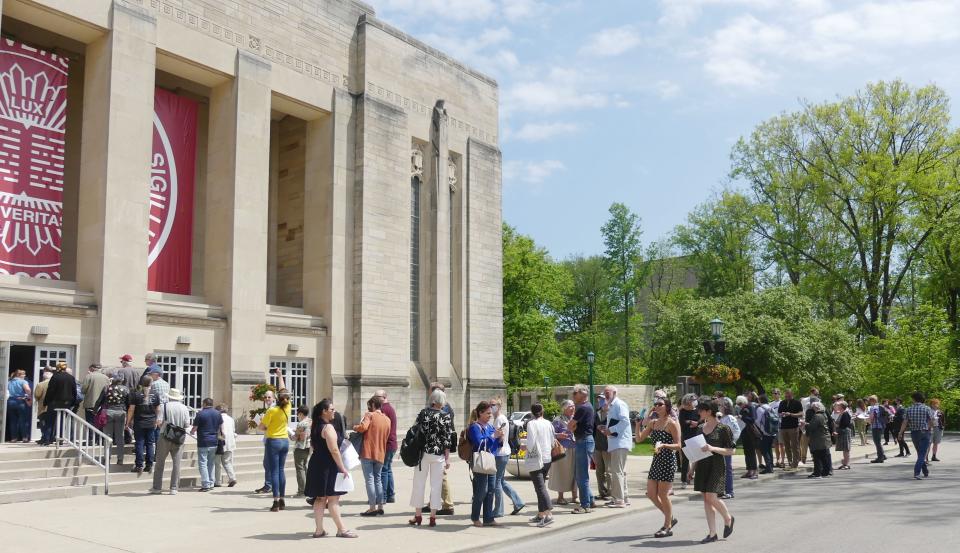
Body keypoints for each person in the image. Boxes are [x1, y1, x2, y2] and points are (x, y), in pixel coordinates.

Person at [305, 399, 357, 538]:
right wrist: (342, 468)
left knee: (320, 498)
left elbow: (314, 447)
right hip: (329, 465)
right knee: (333, 499)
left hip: (317, 464)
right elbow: (334, 450)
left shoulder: (315, 426)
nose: (334, 411)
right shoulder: (328, 428)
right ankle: (341, 529)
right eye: (332, 409)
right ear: (324, 411)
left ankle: (319, 530)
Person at [689, 398, 735, 544]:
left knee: (711, 497)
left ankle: (728, 518)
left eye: (701, 410)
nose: (698, 412)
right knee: (706, 499)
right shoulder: (699, 428)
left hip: (716, 465)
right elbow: (696, 450)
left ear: (709, 411)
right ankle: (712, 533)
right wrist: (692, 468)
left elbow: (731, 451)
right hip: (702, 465)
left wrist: (712, 448)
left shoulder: (723, 429)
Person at [635, 395, 680, 538]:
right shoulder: (653, 423)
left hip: (668, 461)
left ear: (667, 407)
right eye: (656, 404)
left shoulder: (672, 423)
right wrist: (637, 425)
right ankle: (670, 517)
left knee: (663, 495)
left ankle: (667, 526)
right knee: (651, 494)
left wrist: (664, 445)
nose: (657, 406)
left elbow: (679, 445)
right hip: (656, 461)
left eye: (660, 404)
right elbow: (639, 439)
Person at [409, 388, 454, 527]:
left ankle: (418, 516)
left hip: (423, 453)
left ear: (432, 400)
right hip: (438, 454)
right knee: (436, 486)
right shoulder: (446, 416)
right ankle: (433, 517)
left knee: (419, 484)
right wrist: (447, 458)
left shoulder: (423, 413)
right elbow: (447, 439)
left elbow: (414, 430)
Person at [467, 400, 504, 527]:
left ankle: (488, 518)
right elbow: (479, 443)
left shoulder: (489, 427)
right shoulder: (474, 427)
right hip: (480, 462)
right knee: (481, 491)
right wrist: (494, 436)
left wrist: (500, 438)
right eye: (487, 413)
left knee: (491, 490)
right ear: (480, 413)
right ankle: (475, 517)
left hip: (490, 461)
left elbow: (495, 445)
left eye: (490, 413)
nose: (490, 415)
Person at [354, 395, 390, 516]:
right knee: (378, 479)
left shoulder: (370, 415)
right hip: (381, 453)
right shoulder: (387, 419)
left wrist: (355, 427)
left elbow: (363, 427)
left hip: (368, 451)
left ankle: (372, 507)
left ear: (373, 405)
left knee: (369, 480)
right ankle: (380, 505)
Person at [150, 388, 191, 494]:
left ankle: (157, 487)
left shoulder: (164, 406)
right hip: (179, 437)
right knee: (177, 464)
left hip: (165, 436)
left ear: (169, 396)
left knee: (160, 463)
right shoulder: (184, 408)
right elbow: (187, 424)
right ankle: (173, 487)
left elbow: (159, 421)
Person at [491, 397, 525, 517]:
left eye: (493, 404)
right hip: (504, 452)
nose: (491, 406)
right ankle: (518, 502)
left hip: (500, 453)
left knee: (497, 482)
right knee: (501, 481)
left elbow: (498, 437)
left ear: (499, 406)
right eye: (490, 404)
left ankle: (499, 510)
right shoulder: (502, 418)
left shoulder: (499, 420)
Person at [524, 403, 556, 528]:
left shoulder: (532, 424)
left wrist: (525, 447)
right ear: (542, 411)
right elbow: (553, 439)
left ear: (532, 412)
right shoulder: (548, 423)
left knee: (540, 487)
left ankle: (548, 514)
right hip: (547, 457)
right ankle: (541, 513)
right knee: (540, 487)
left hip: (537, 458)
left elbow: (531, 442)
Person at [259, 390, 291, 511]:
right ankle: (282, 499)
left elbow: (261, 427)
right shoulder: (287, 407)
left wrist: (265, 422)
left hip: (274, 441)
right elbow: (284, 391)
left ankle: (276, 501)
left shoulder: (271, 410)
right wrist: (280, 375)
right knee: (281, 470)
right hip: (284, 440)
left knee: (274, 472)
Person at [601, 385, 632, 508]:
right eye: (605, 392)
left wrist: (611, 430)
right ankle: (623, 497)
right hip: (616, 442)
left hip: (620, 443)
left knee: (617, 471)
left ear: (615, 392)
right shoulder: (612, 406)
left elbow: (625, 421)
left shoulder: (619, 404)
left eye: (608, 392)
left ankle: (619, 500)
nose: (606, 394)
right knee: (620, 471)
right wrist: (606, 429)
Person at [567, 384, 595, 514]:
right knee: (581, 474)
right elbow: (572, 426)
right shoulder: (587, 406)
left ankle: (585, 505)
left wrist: (572, 426)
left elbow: (570, 425)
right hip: (585, 440)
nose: (573, 396)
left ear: (581, 394)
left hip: (583, 441)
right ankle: (590, 499)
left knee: (581, 475)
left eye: (575, 393)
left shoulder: (582, 408)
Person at [899, 391, 936, 480]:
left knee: (920, 453)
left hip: (914, 433)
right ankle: (917, 472)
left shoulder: (908, 409)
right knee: (922, 454)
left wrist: (900, 433)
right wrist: (930, 428)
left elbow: (905, 422)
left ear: (914, 399)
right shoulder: (927, 408)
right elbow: (932, 421)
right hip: (924, 432)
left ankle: (925, 471)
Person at [127, 375, 160, 474]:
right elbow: (158, 409)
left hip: (139, 422)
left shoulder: (136, 394)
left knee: (139, 443)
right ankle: (149, 465)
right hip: (151, 422)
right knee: (150, 444)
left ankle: (139, 465)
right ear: (151, 383)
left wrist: (128, 422)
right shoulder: (155, 394)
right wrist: (157, 420)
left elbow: (131, 409)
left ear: (141, 383)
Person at [191, 397, 223, 492]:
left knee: (203, 463)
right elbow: (220, 427)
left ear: (204, 404)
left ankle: (205, 484)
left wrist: (192, 432)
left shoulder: (200, 413)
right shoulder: (218, 413)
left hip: (203, 441)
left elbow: (195, 428)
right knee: (211, 463)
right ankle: (211, 482)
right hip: (214, 441)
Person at [549, 400, 577, 505]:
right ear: (564, 408)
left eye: (573, 406)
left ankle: (575, 496)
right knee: (562, 473)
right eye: (570, 406)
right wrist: (558, 435)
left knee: (575, 473)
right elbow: (551, 434)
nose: (573, 408)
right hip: (563, 449)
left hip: (575, 448)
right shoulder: (558, 420)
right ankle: (560, 497)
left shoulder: (575, 418)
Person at [374, 389, 398, 503]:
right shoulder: (389, 408)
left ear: (384, 397)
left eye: (377, 396)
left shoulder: (384, 409)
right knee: (388, 470)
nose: (375, 398)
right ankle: (390, 495)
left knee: (383, 470)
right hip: (392, 443)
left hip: (387, 444)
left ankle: (382, 496)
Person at [102, 374, 131, 464]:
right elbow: (128, 402)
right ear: (121, 381)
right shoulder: (126, 389)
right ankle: (120, 459)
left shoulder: (107, 388)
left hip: (109, 411)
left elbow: (101, 400)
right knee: (120, 436)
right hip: (121, 412)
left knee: (108, 436)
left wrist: (95, 410)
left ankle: (107, 457)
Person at [718, 397, 741, 499]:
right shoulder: (719, 417)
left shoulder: (730, 418)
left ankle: (729, 491)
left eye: (720, 405)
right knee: (720, 469)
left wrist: (731, 442)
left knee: (727, 468)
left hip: (726, 447)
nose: (718, 407)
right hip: (718, 447)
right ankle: (720, 490)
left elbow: (736, 432)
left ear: (726, 406)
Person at [677, 394, 700, 489]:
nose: (694, 401)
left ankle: (698, 479)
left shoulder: (698, 410)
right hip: (686, 437)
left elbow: (702, 421)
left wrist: (697, 423)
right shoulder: (683, 411)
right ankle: (684, 480)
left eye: (695, 400)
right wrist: (691, 422)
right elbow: (682, 422)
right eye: (692, 400)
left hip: (696, 436)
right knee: (686, 460)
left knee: (698, 459)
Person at [777, 389, 803, 469]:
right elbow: (779, 413)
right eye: (786, 394)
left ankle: (795, 463)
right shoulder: (782, 403)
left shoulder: (797, 403)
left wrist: (791, 414)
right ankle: (790, 462)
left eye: (788, 394)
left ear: (792, 394)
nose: (787, 396)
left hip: (793, 427)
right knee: (786, 445)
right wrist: (782, 414)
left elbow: (801, 414)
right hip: (784, 427)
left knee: (794, 446)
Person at [806, 402, 832, 478]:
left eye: (813, 407)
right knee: (823, 456)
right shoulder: (823, 414)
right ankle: (825, 472)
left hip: (819, 439)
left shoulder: (817, 416)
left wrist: (805, 425)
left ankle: (817, 473)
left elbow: (812, 427)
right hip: (823, 438)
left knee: (817, 456)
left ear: (817, 408)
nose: (812, 409)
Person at [592, 393, 611, 500]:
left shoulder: (611, 412)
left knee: (609, 471)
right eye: (599, 399)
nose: (600, 401)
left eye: (602, 399)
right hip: (597, 445)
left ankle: (610, 492)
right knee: (599, 470)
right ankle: (602, 492)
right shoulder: (596, 413)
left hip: (608, 445)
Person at [5, 369, 31, 442]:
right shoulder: (23, 381)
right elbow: (28, 390)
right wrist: (28, 396)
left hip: (10, 401)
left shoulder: (9, 382)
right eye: (23, 374)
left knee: (13, 421)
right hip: (20, 401)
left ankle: (14, 438)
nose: (25, 376)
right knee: (23, 420)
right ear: (19, 375)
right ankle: (24, 437)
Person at [735, 396, 758, 479]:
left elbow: (753, 419)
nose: (739, 405)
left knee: (751, 452)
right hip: (744, 432)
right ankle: (749, 470)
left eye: (740, 403)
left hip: (750, 432)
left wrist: (742, 417)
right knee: (746, 452)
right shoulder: (742, 409)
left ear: (744, 402)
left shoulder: (751, 407)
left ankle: (754, 471)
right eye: (738, 404)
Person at [216, 404, 238, 487]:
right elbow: (233, 430)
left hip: (220, 443)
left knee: (217, 463)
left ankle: (217, 481)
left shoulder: (218, 418)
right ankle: (232, 478)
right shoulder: (231, 419)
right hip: (230, 443)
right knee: (227, 462)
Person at [292, 405, 311, 497]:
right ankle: (308, 489)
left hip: (300, 447)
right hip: (308, 447)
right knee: (304, 467)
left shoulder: (301, 423)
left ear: (300, 414)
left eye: (298, 414)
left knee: (300, 469)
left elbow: (294, 437)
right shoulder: (310, 421)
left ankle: (302, 491)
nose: (297, 416)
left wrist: (289, 433)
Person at [755, 394, 775, 474]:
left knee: (764, 449)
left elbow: (757, 421)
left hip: (764, 432)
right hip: (772, 431)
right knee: (769, 449)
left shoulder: (760, 408)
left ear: (760, 400)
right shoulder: (771, 407)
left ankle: (769, 467)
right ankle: (771, 466)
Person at [33, 369, 53, 445]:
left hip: (43, 407)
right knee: (50, 423)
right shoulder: (54, 384)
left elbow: (37, 395)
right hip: (52, 406)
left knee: (43, 423)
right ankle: (49, 438)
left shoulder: (40, 384)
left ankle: (44, 438)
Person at [868, 395, 889, 463]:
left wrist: (868, 421)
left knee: (877, 442)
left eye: (870, 401)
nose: (869, 402)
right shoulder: (881, 407)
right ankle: (882, 455)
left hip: (875, 426)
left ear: (872, 401)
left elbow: (872, 418)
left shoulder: (872, 408)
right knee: (878, 441)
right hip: (881, 425)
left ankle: (880, 457)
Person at [769, 389, 785, 468]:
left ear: (779, 394)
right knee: (776, 444)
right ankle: (778, 460)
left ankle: (782, 461)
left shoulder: (783, 403)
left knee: (782, 444)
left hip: (781, 425)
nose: (774, 395)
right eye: (773, 393)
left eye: (776, 393)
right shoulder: (770, 404)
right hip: (773, 425)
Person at [834, 401, 852, 470]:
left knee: (846, 449)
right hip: (843, 432)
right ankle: (845, 463)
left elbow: (844, 425)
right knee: (845, 449)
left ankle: (846, 464)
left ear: (841, 407)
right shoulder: (842, 413)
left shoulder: (845, 414)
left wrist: (838, 431)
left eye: (838, 405)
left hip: (845, 433)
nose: (837, 407)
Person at [928, 398, 944, 463]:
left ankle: (934, 456)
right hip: (930, 428)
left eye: (936, 404)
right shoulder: (929, 411)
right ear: (931, 405)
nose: (935, 405)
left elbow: (943, 420)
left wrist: (942, 427)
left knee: (936, 443)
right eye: (933, 404)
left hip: (938, 428)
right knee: (928, 443)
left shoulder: (940, 412)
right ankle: (926, 457)